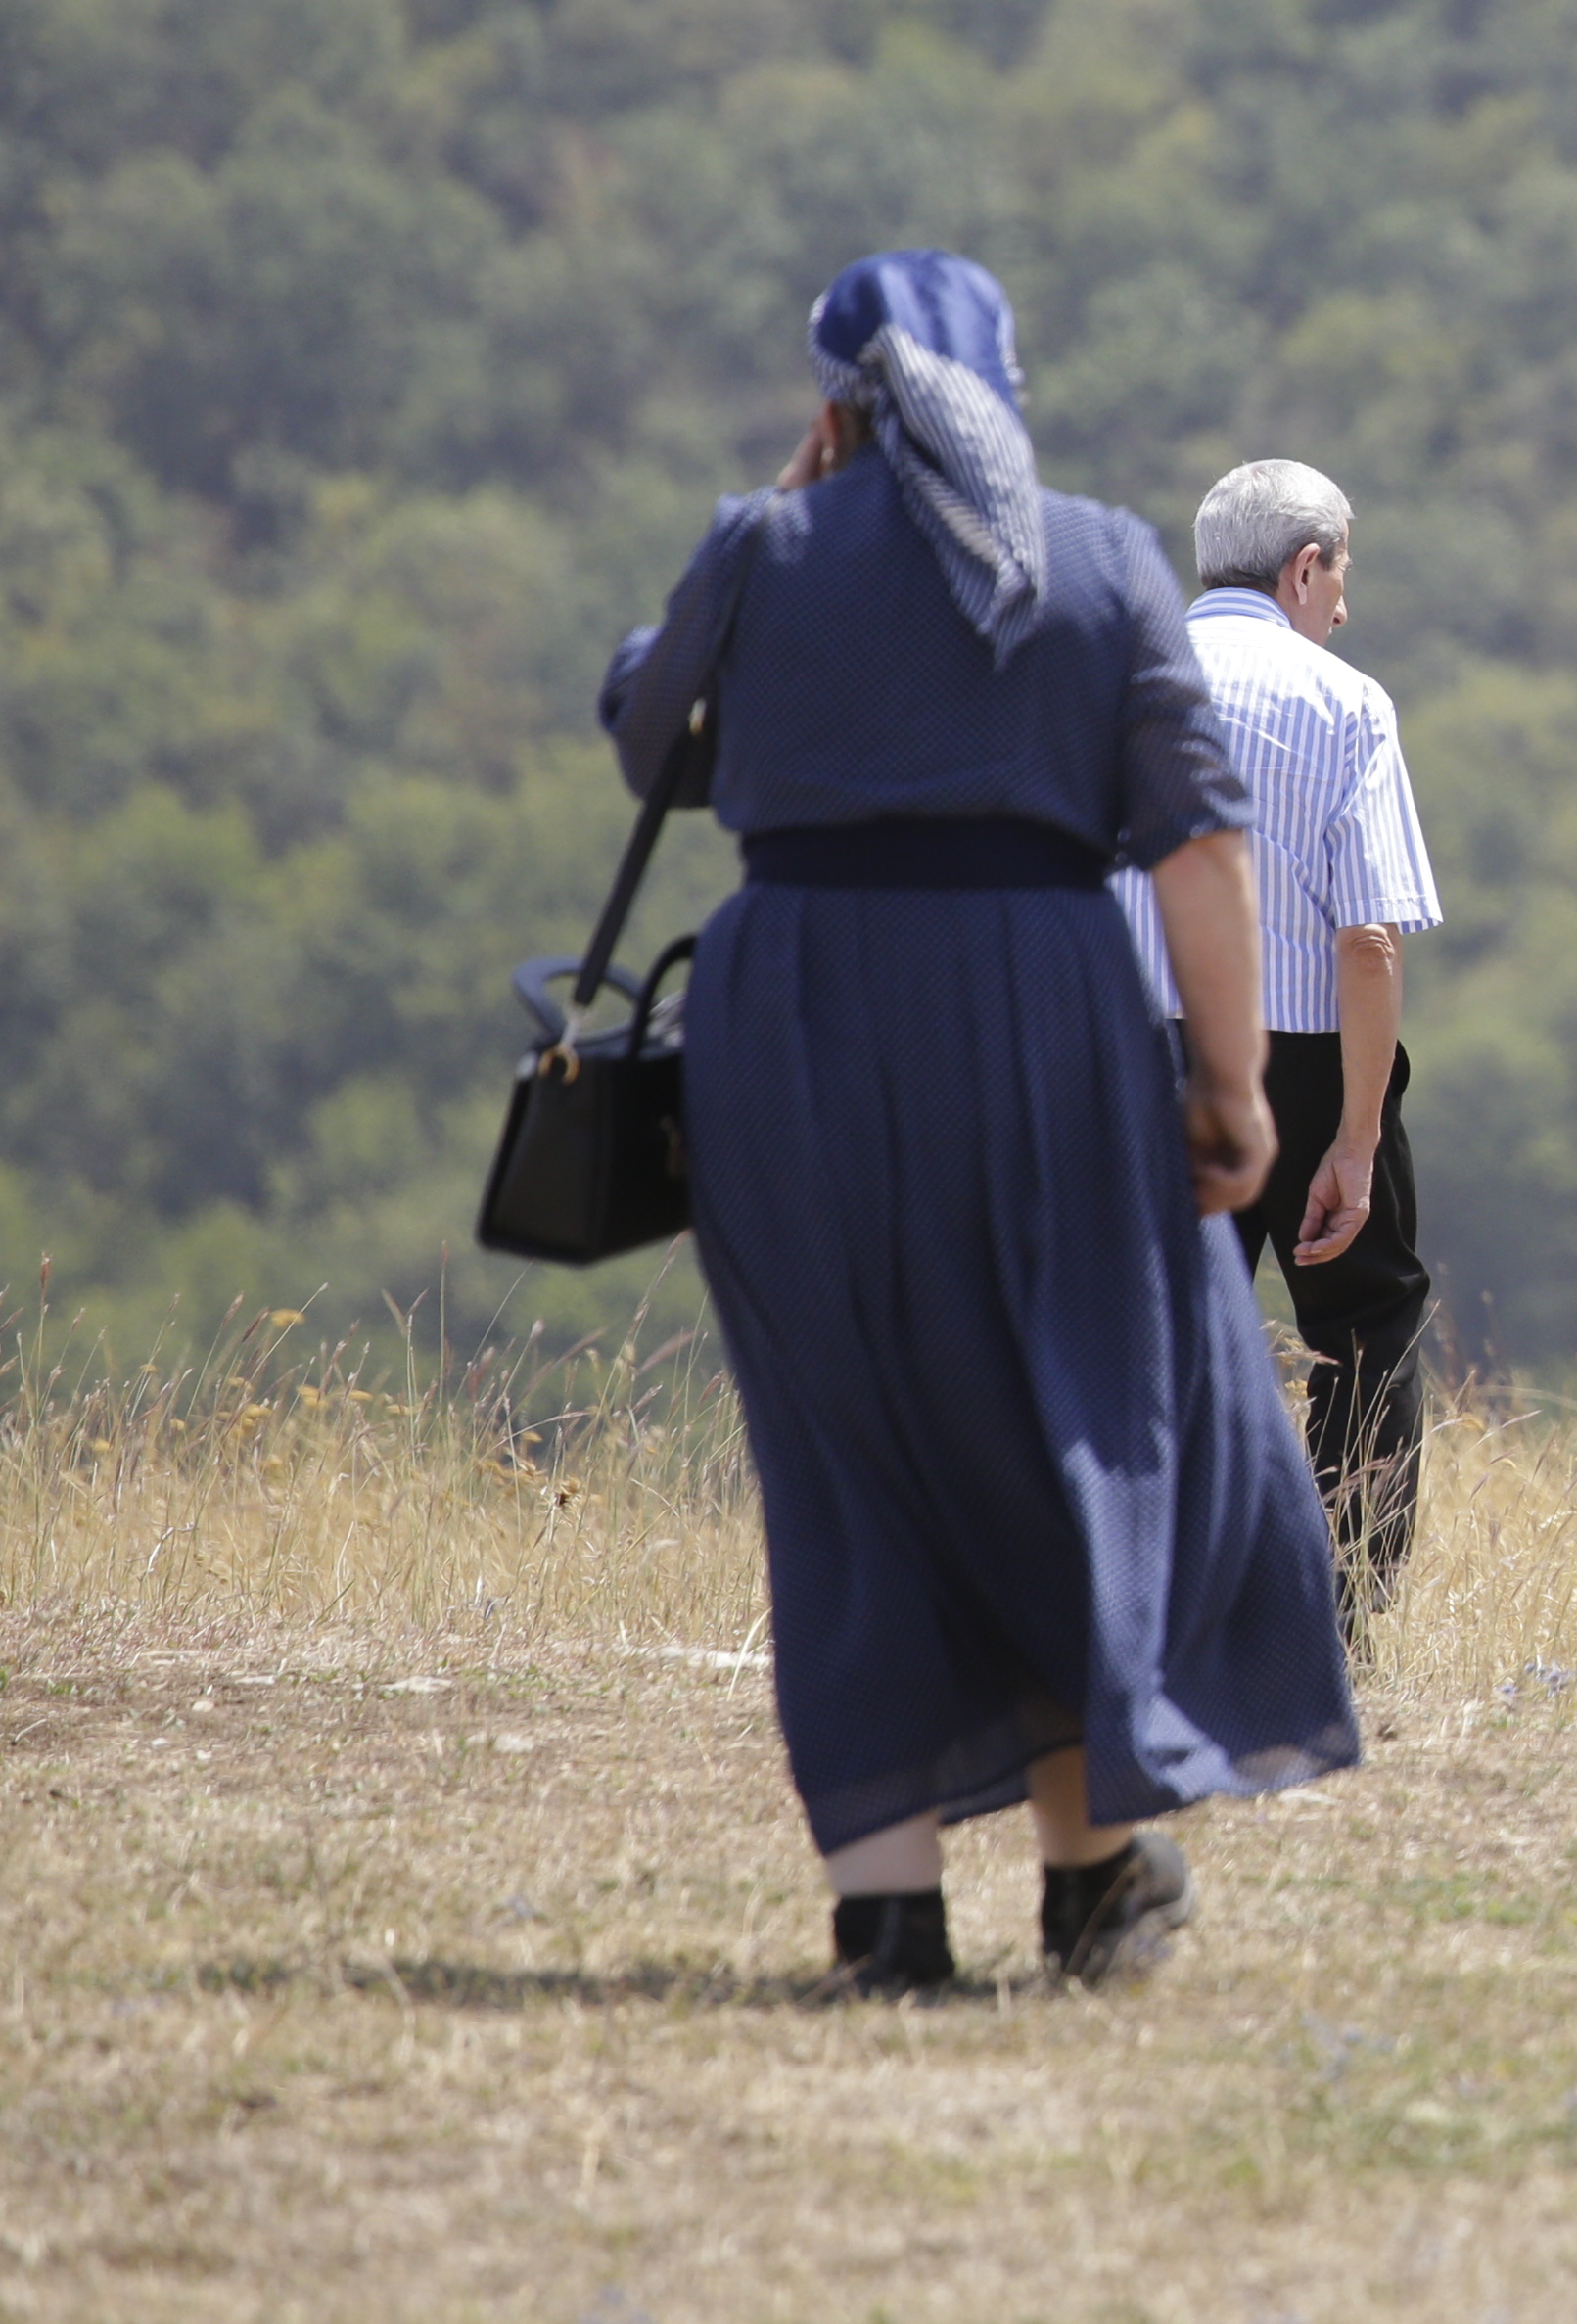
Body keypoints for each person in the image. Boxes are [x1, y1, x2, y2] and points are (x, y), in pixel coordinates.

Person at [598, 252, 1357, 1996]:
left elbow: (649, 735)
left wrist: (773, 528)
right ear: (1001, 388)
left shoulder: (762, 545)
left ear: (837, 401)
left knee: (846, 1444)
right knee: (1067, 1411)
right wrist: (1233, 1089)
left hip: (788, 1027)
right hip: (1042, 1019)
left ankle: (886, 1919)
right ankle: (1089, 1876)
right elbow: (1201, 835)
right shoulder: (1098, 557)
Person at [1117, 459, 1448, 1635]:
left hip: (1134, 1052)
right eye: (1340, 576)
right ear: (1305, 568)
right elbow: (1368, 940)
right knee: (1365, 1334)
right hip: (1302, 1058)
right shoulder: (1345, 703)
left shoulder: (1116, 687)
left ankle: (1128, 1614)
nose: (1344, 607)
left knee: (1136, 1341)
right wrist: (1355, 1137)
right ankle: (1335, 1625)